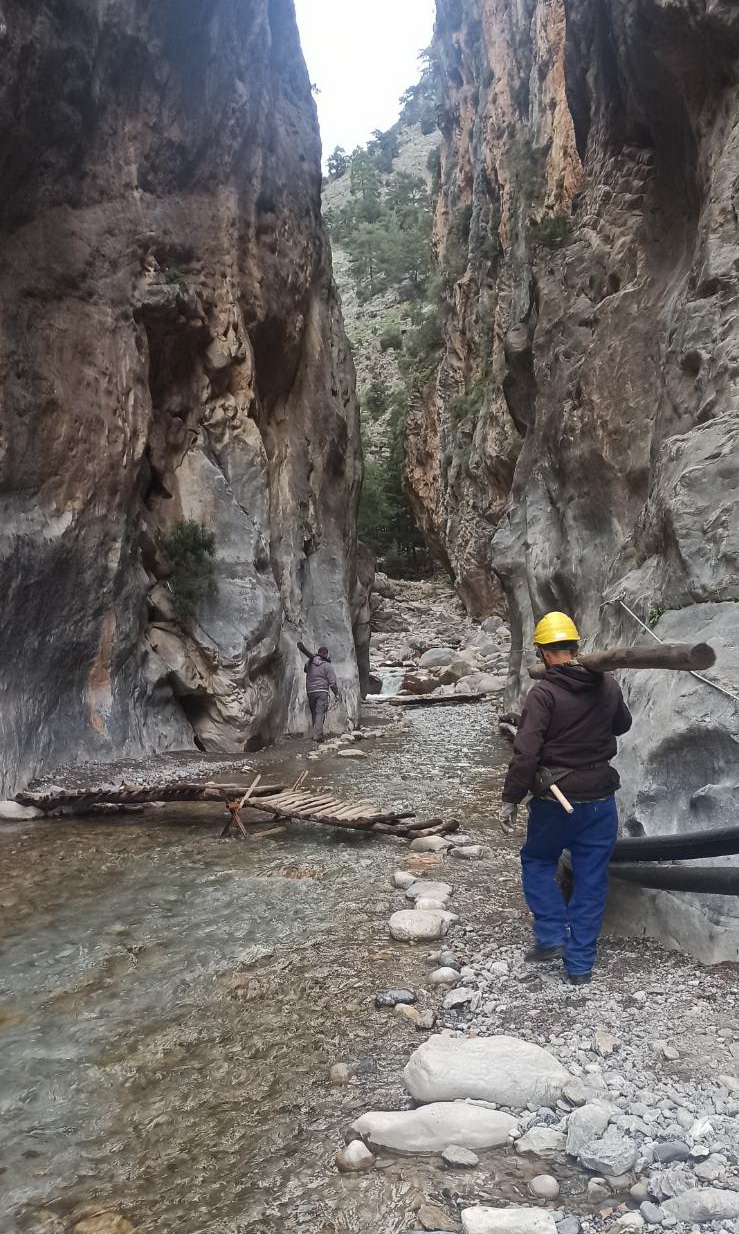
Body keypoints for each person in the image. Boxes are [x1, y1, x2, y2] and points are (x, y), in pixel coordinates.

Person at [500, 611, 632, 985]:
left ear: (542, 652)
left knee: (538, 859)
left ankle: (552, 936)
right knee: (592, 878)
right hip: (601, 798)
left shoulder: (544, 693)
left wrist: (510, 798)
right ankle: (579, 967)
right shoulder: (605, 684)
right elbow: (623, 725)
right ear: (576, 646)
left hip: (556, 800)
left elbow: (526, 752)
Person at [298, 641, 339, 742]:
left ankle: (314, 733)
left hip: (310, 691)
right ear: (325, 654)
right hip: (322, 691)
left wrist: (313, 661)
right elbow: (332, 682)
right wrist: (336, 693)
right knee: (320, 712)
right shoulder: (327, 665)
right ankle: (317, 736)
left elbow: (305, 669)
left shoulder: (309, 662)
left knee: (314, 713)